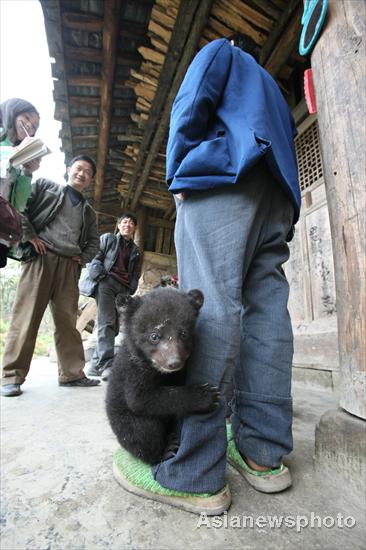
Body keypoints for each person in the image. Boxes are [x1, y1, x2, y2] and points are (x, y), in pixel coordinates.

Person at [112, 34, 301, 514]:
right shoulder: (276, 94)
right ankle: (262, 453)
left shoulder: (222, 53)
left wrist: (179, 175)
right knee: (267, 314)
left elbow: (191, 107)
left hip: (223, 175)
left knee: (211, 308)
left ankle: (193, 471)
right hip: (278, 194)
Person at [0, 155, 101, 397]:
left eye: (87, 172)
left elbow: (94, 242)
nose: (82, 174)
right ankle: (11, 376)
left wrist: (82, 258)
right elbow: (21, 207)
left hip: (69, 266)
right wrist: (29, 236)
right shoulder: (47, 186)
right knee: (26, 317)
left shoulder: (89, 212)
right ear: (68, 170)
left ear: (90, 180)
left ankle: (72, 374)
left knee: (68, 322)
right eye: (78, 168)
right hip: (40, 259)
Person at [82, 213, 141, 381]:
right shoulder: (108, 239)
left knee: (114, 326)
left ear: (134, 228)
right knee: (106, 322)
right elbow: (96, 256)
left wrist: (131, 288)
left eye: (131, 223)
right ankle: (107, 364)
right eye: (124, 222)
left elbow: (135, 273)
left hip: (123, 289)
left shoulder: (136, 251)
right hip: (106, 283)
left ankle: (94, 366)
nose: (127, 225)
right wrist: (100, 276)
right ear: (119, 224)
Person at [0, 98, 41, 267]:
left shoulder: (18, 160)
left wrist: (27, 173)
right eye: (26, 117)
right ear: (12, 113)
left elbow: (17, 204)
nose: (30, 126)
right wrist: (13, 152)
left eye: (35, 126)